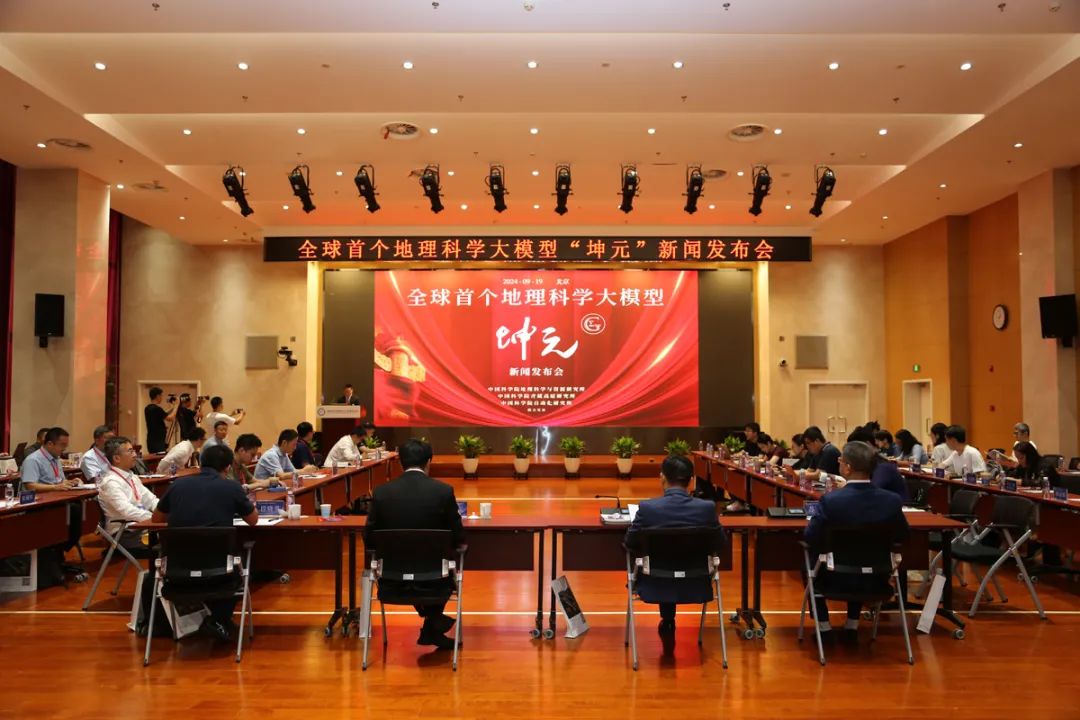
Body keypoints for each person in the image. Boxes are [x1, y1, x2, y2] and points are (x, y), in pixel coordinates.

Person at [364, 438, 463, 650]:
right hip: (434, 581)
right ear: (429, 462)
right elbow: (458, 535)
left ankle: (432, 623)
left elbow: (369, 536)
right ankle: (433, 621)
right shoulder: (443, 491)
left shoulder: (381, 492)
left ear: (400, 463)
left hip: (391, 580)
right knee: (449, 561)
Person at [805, 441, 909, 642]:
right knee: (861, 555)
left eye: (840, 460)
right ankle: (852, 624)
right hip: (877, 579)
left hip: (833, 578)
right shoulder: (891, 501)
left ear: (847, 467)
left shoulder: (831, 501)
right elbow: (903, 535)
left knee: (809, 560)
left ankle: (824, 627)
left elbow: (811, 536)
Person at [152, 444, 258, 641]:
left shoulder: (177, 485)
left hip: (177, 570)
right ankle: (218, 619)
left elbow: (156, 519)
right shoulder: (231, 487)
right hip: (220, 573)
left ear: (200, 463)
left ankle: (219, 621)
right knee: (246, 562)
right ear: (227, 467)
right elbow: (253, 520)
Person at [624, 454, 720, 638]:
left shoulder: (648, 509)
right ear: (691, 480)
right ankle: (668, 618)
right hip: (697, 582)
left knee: (660, 559)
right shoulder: (707, 509)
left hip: (654, 582)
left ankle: (667, 618)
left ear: (662, 477)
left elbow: (630, 542)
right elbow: (720, 543)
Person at [97, 436, 159, 556]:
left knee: (178, 534)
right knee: (172, 541)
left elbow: (151, 500)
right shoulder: (111, 482)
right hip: (124, 533)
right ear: (116, 458)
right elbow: (127, 511)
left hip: (142, 526)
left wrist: (164, 511)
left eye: (134, 450)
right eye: (130, 451)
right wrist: (155, 518)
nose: (135, 455)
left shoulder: (132, 477)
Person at [848, 428, 908, 501]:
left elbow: (871, 492)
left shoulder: (883, 466)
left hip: (895, 506)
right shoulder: (871, 462)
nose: (853, 455)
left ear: (867, 444)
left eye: (854, 450)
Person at [20, 427, 79, 492]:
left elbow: (60, 481)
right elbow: (30, 486)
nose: (64, 449)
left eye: (66, 445)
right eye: (62, 445)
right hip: (41, 497)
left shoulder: (56, 457)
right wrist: (55, 487)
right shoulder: (32, 460)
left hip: (58, 495)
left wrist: (71, 482)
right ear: (50, 444)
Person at [144, 387, 176, 454]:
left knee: (154, 458)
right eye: (161, 395)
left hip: (151, 440)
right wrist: (176, 406)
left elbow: (162, 414)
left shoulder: (148, 408)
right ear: (157, 396)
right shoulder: (157, 408)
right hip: (158, 441)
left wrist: (172, 408)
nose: (162, 398)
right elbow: (170, 418)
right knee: (159, 458)